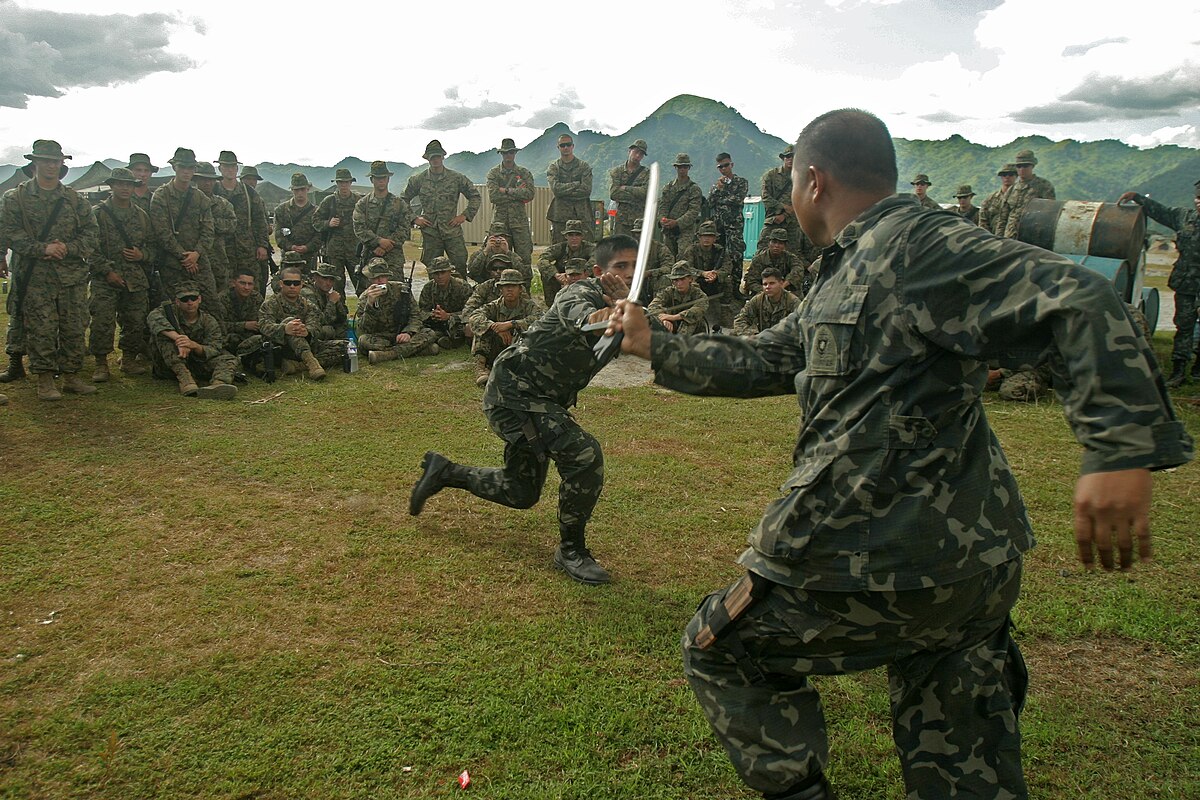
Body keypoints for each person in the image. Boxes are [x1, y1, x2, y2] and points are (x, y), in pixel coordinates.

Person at [607, 108, 1192, 800]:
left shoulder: (920, 244)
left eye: (794, 185)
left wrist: (1118, 451)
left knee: (723, 646)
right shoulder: (843, 270)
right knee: (958, 748)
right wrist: (657, 345)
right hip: (963, 566)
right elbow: (772, 357)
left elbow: (1079, 296)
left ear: (813, 183)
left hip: (871, 550)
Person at [409, 235, 646, 585]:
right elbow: (588, 321)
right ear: (599, 271)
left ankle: (445, 472)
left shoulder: (633, 306)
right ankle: (571, 551)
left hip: (541, 399)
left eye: (633, 267)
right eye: (619, 267)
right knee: (584, 455)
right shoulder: (577, 295)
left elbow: (652, 338)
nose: (626, 275)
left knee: (519, 492)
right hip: (513, 394)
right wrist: (619, 309)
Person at [1, 139, 99, 401]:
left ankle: (71, 376)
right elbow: (9, 232)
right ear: (34, 163)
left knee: (74, 326)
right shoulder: (15, 198)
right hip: (35, 276)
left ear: (61, 164)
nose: (50, 166)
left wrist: (68, 247)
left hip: (71, 276)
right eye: (44, 160)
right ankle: (44, 379)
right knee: (41, 328)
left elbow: (91, 233)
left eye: (55, 161)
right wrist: (42, 249)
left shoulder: (75, 200)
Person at [1119, 181, 1200, 386]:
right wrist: (1137, 197)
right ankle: (1179, 370)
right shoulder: (1184, 217)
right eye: (1198, 198)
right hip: (1186, 282)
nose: (1199, 202)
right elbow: (1159, 211)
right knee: (1183, 325)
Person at [88, 167, 153, 382]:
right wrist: (107, 271)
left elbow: (154, 247)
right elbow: (89, 248)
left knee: (135, 320)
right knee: (102, 321)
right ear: (112, 185)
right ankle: (101, 364)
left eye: (129, 184)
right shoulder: (98, 214)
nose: (125, 188)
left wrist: (142, 254)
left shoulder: (142, 216)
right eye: (120, 184)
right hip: (105, 278)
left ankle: (129, 359)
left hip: (134, 278)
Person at [146, 281, 239, 399]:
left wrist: (193, 345)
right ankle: (184, 378)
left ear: (199, 299)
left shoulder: (208, 321)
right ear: (177, 301)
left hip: (196, 363)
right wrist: (179, 339)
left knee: (229, 358)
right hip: (169, 365)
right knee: (162, 336)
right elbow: (153, 318)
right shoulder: (167, 312)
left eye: (193, 298)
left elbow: (214, 348)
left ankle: (219, 385)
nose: (190, 303)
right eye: (185, 299)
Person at [402, 140, 481, 277]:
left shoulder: (456, 178)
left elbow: (475, 196)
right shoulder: (418, 180)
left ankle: (461, 297)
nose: (435, 160)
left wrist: (464, 215)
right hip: (431, 233)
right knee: (434, 271)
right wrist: (414, 218)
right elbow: (403, 200)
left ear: (443, 157)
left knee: (459, 267)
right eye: (432, 157)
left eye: (437, 156)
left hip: (452, 232)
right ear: (427, 158)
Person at [150, 147, 216, 302]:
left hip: (199, 262)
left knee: (211, 304)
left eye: (190, 168)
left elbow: (208, 231)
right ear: (174, 167)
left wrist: (196, 254)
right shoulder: (161, 196)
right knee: (175, 306)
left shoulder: (200, 198)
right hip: (172, 263)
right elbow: (162, 233)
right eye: (182, 167)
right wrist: (185, 257)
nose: (186, 172)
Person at [258, 262, 338, 380]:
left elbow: (316, 323)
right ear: (281, 284)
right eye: (288, 283)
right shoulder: (270, 304)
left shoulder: (307, 304)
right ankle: (311, 364)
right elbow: (264, 326)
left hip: (304, 344)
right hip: (280, 347)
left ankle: (297, 366)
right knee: (292, 322)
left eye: (296, 283)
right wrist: (284, 329)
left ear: (301, 285)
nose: (292, 286)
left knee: (346, 347)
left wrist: (307, 331)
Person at [466, 268, 544, 386]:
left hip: (519, 349)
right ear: (500, 289)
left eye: (513, 286)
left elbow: (540, 319)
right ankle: (481, 369)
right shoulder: (494, 306)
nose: (509, 289)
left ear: (520, 289)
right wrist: (494, 327)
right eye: (506, 286)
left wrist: (511, 324)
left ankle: (521, 370)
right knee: (482, 330)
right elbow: (474, 317)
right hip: (498, 346)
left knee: (530, 334)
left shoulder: (528, 306)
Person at [355, 257, 439, 365]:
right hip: (381, 338)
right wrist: (370, 304)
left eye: (383, 276)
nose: (380, 281)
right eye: (376, 278)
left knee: (429, 333)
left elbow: (415, 315)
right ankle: (417, 350)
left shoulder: (401, 289)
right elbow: (364, 328)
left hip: (403, 334)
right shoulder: (364, 298)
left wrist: (408, 332)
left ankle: (388, 354)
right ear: (370, 279)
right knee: (363, 341)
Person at [214, 151, 271, 293]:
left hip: (246, 250)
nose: (229, 169)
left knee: (251, 289)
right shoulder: (212, 191)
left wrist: (262, 245)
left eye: (232, 166)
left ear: (237, 169)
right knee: (223, 289)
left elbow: (260, 221)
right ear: (220, 168)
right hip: (220, 250)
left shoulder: (249, 193)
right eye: (225, 166)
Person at [353, 161, 414, 282]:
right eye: (377, 178)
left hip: (393, 259)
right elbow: (359, 228)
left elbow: (405, 228)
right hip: (370, 255)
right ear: (372, 179)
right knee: (370, 294)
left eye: (383, 178)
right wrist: (378, 241)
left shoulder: (399, 204)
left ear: (388, 179)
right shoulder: (362, 204)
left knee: (395, 292)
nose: (381, 181)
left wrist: (386, 247)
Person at [486, 138, 535, 266]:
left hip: (519, 222)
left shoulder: (524, 173)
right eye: (506, 153)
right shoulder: (494, 173)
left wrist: (506, 190)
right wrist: (518, 193)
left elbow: (530, 194)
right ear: (501, 154)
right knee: (498, 258)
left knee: (524, 259)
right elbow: (494, 196)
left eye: (511, 152)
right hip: (500, 223)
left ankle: (524, 286)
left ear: (515, 153)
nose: (508, 155)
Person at [313, 168, 361, 294]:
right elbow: (315, 221)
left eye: (346, 182)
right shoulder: (329, 201)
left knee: (360, 284)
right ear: (337, 184)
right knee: (337, 286)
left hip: (354, 251)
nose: (344, 185)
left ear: (350, 183)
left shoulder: (359, 201)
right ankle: (338, 312)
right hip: (335, 252)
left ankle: (364, 312)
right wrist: (327, 223)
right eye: (341, 182)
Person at [679, 220, 733, 330]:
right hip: (698, 280)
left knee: (727, 281)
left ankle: (725, 314)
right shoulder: (692, 250)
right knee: (691, 283)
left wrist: (716, 274)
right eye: (704, 236)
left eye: (710, 236)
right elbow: (686, 268)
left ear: (715, 238)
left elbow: (727, 267)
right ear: (699, 237)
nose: (707, 239)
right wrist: (703, 273)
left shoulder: (720, 251)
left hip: (714, 281)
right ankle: (694, 315)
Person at [708, 152, 749, 287]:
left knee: (736, 254)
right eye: (720, 167)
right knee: (718, 254)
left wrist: (721, 197)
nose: (723, 169)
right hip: (719, 226)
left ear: (732, 165)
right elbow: (710, 202)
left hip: (734, 225)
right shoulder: (716, 185)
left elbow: (737, 200)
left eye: (726, 165)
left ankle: (736, 286)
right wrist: (717, 190)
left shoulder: (741, 182)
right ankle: (720, 285)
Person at [546, 132, 593, 243]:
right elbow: (556, 190)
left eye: (568, 144)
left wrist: (565, 191)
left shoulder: (584, 166)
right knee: (559, 249)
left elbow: (586, 190)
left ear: (573, 146)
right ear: (558, 147)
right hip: (560, 216)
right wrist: (576, 184)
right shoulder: (554, 167)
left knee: (586, 249)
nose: (566, 147)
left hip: (582, 215)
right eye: (562, 145)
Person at [536, 218, 595, 307]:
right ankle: (552, 306)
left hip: (585, 278)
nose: (574, 238)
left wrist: (584, 274)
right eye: (571, 235)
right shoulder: (559, 248)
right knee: (547, 275)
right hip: (564, 278)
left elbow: (597, 258)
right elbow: (542, 260)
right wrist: (556, 275)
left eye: (577, 235)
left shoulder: (589, 248)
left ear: (582, 236)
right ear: (566, 236)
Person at [418, 256, 472, 350]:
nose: (439, 276)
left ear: (450, 272)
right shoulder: (428, 287)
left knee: (467, 326)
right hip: (436, 323)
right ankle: (440, 338)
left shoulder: (463, 287)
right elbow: (421, 311)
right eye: (436, 273)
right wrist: (433, 315)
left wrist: (449, 316)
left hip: (457, 323)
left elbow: (470, 312)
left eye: (443, 273)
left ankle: (449, 340)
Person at [274, 173, 321, 278]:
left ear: (307, 189)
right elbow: (278, 234)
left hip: (309, 258)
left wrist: (308, 247)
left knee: (310, 288)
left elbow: (320, 235)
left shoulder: (317, 211)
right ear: (292, 190)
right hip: (288, 258)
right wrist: (291, 247)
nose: (300, 193)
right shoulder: (281, 210)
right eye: (296, 190)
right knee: (288, 286)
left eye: (302, 189)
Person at [1002, 149, 1056, 239]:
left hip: (1032, 237)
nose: (1022, 169)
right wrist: (999, 239)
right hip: (1011, 237)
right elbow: (1003, 217)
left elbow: (1049, 214)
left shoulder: (1044, 186)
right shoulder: (1012, 189)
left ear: (1032, 166)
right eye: (1019, 166)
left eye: (1025, 166)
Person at [731, 267, 798, 337]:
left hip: (783, 340)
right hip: (762, 340)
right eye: (765, 284)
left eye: (772, 283)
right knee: (734, 334)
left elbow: (801, 325)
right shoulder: (758, 299)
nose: (767, 287)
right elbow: (740, 319)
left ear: (781, 284)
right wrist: (752, 335)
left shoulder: (793, 301)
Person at [658, 154, 703, 258]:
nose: (682, 170)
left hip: (685, 231)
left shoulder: (694, 189)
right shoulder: (668, 187)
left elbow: (693, 211)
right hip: (668, 230)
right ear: (676, 168)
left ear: (689, 168)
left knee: (683, 257)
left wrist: (677, 223)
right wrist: (662, 220)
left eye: (685, 167)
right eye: (680, 167)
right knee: (667, 257)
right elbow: (663, 206)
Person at [216, 266, 264, 362]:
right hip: (229, 337)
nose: (246, 287)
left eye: (250, 284)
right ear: (233, 283)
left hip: (250, 336)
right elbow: (218, 326)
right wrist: (244, 325)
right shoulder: (222, 299)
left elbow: (263, 319)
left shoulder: (256, 297)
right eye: (242, 283)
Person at [744, 228, 809, 297]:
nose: (776, 246)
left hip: (785, 291)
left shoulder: (790, 258)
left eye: (780, 243)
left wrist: (784, 285)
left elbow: (798, 269)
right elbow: (751, 281)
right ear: (769, 243)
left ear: (785, 245)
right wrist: (769, 290)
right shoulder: (759, 259)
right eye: (774, 242)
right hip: (764, 292)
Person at [646, 262, 708, 335]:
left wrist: (675, 317)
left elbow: (699, 308)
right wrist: (664, 319)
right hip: (672, 325)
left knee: (691, 320)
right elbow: (652, 306)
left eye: (682, 279)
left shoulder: (698, 294)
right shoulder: (668, 292)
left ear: (690, 279)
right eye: (676, 280)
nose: (679, 284)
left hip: (694, 331)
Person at [467, 222, 531, 287]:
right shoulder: (479, 254)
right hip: (485, 288)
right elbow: (472, 272)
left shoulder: (511, 255)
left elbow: (523, 273)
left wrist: (508, 252)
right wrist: (485, 251)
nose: (497, 241)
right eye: (495, 237)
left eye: (501, 237)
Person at [608, 138, 650, 235]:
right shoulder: (617, 171)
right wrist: (637, 196)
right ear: (629, 151)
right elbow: (614, 194)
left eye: (641, 154)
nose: (637, 156)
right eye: (636, 152)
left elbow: (645, 193)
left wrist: (626, 188)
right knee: (621, 248)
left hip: (639, 221)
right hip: (621, 221)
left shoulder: (647, 173)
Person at [302, 262, 350, 342]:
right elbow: (320, 321)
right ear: (315, 277)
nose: (328, 283)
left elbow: (342, 318)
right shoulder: (308, 293)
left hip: (322, 328)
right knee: (328, 329)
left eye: (331, 280)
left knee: (342, 327)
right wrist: (331, 302)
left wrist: (337, 302)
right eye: (324, 278)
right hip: (309, 329)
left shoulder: (327, 293)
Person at [978, 164, 1017, 235]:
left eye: (1011, 174)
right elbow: (983, 223)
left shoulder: (1020, 198)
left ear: (1016, 176)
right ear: (1001, 177)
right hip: (994, 240)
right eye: (1004, 175)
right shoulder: (990, 200)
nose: (1007, 177)